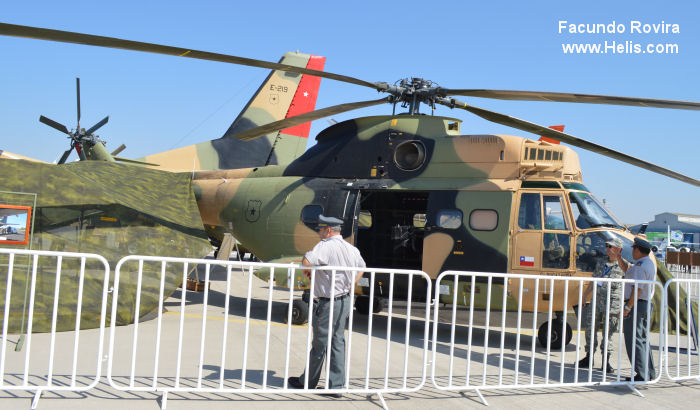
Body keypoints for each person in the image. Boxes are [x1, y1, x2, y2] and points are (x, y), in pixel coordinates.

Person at [288, 215, 365, 397]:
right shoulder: (350, 248)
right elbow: (362, 267)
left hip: (328, 301)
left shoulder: (324, 246)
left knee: (320, 343)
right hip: (344, 299)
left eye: (321, 229)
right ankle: (336, 386)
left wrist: (311, 274)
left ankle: (307, 382)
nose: (318, 232)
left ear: (328, 230)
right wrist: (349, 284)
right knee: (337, 342)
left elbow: (306, 262)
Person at [578, 237, 625, 373]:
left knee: (608, 333)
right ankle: (588, 357)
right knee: (590, 329)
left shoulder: (623, 266)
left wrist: (625, 305)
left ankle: (606, 361)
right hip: (596, 301)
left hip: (612, 304)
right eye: (607, 246)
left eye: (611, 246)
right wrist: (585, 296)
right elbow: (594, 281)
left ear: (619, 249)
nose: (608, 249)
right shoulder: (601, 262)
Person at [612, 237, 656, 382]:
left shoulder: (641, 266)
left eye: (633, 249)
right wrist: (618, 257)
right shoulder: (646, 264)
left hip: (636, 304)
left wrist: (627, 307)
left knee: (634, 340)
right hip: (644, 304)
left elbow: (636, 290)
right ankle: (648, 372)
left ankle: (640, 374)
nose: (632, 251)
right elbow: (627, 269)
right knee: (643, 340)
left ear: (638, 250)